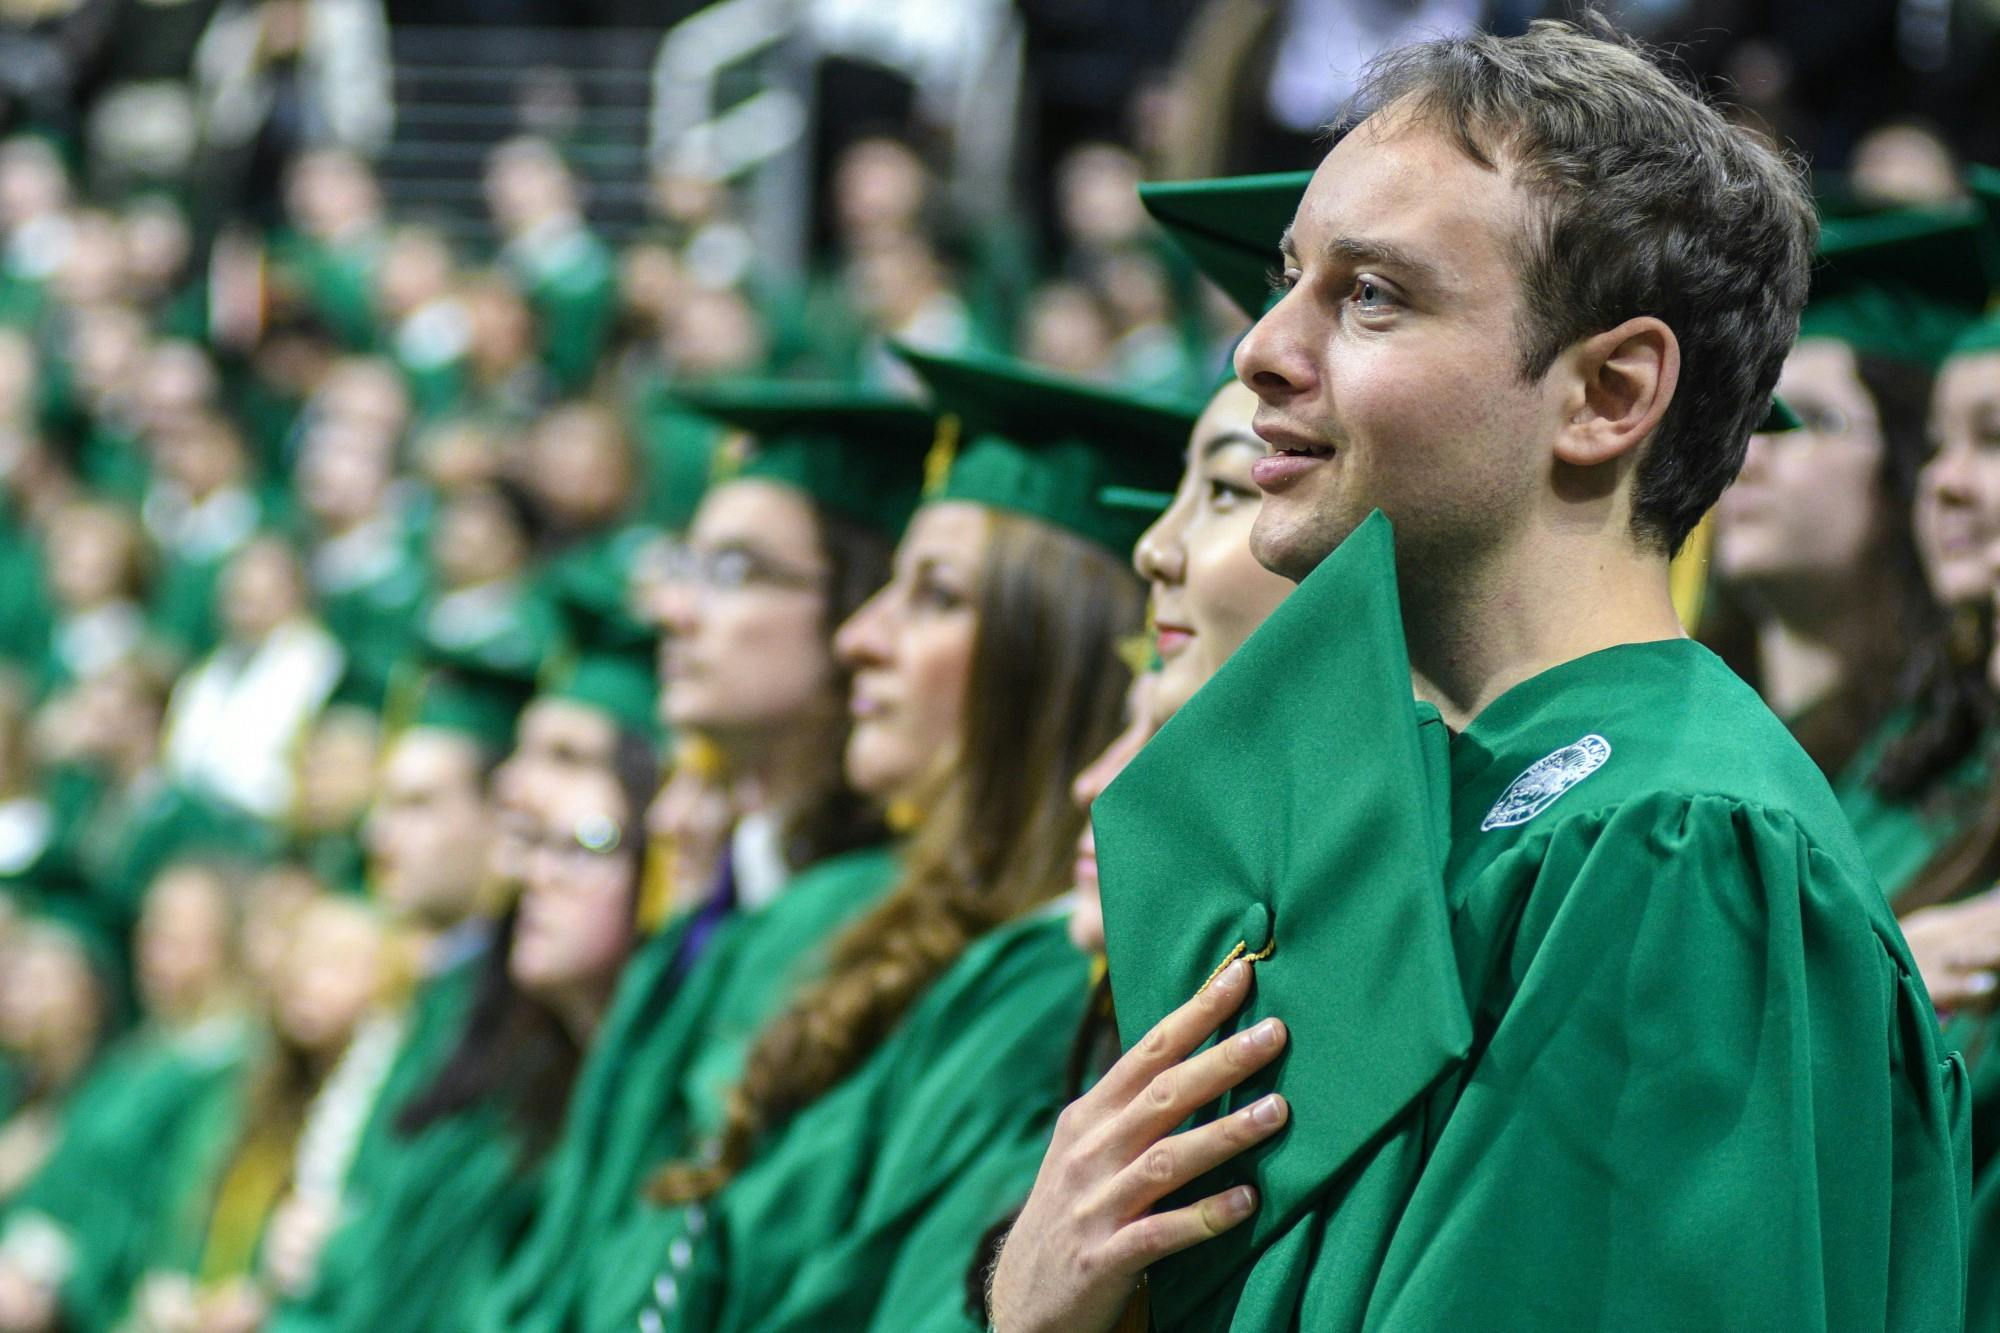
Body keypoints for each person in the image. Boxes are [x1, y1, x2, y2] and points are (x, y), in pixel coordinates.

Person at [992, 21, 1966, 1330]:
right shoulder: (1433, 798)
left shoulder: (1675, 841)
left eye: (1373, 295)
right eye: (1290, 280)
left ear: (1607, 394)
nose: (1261, 350)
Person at [610, 347, 1184, 1332]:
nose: (858, 638)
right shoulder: (887, 932)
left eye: (936, 595)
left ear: (1047, 657)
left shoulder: (1048, 993)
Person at [475, 386, 922, 1333]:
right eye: (685, 565)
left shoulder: (871, 932)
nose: (674, 609)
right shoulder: (707, 930)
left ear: (858, 602)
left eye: (735, 570)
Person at [1708, 208, 1991, 892]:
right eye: (1745, 420)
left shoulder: (1937, 759)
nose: (1748, 457)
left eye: (1806, 419)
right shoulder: (1703, 728)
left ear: (1897, 469)